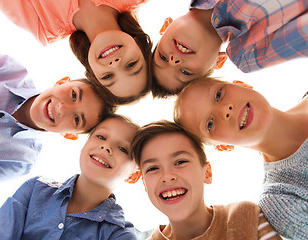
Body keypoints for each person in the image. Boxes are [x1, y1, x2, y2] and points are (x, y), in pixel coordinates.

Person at [0, 44, 116, 196]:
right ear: (62, 82)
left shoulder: (19, 162)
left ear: (69, 135)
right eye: (73, 95)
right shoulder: (8, 68)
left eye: (77, 119)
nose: (62, 108)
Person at [174, 77, 308, 239]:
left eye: (218, 95)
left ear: (241, 84)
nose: (225, 110)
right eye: (210, 124)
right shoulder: (282, 200)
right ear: (223, 146)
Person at [0, 114, 141, 240]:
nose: (106, 147)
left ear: (133, 176)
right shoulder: (36, 187)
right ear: (85, 143)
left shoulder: (119, 234)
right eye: (101, 137)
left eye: (123, 149)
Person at [130, 120, 281, 239]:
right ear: (144, 184)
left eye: (180, 162)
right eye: (152, 169)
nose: (167, 176)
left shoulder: (245, 217)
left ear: (207, 172)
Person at [0, 0, 153, 104]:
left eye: (107, 76)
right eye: (131, 65)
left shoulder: (43, 26)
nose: (115, 64)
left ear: (92, 72)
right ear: (140, 45)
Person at [151, 0, 308, 98]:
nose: (174, 61)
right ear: (219, 61)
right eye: (185, 72)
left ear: (165, 26)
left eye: (162, 58)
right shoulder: (251, 53)